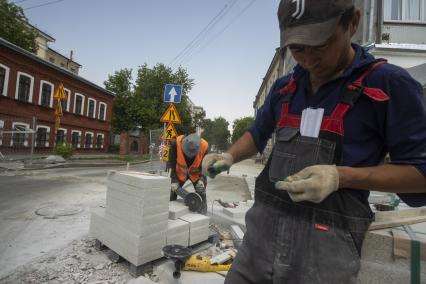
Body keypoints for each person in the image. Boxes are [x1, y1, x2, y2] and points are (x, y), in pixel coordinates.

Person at [202, 0, 426, 283]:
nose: (307, 59)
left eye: (320, 44)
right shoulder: (286, 88)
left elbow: (420, 175)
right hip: (258, 246)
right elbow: (258, 133)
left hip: (325, 256)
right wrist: (230, 156)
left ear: (352, 23)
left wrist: (340, 176)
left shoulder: (388, 86)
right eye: (297, 48)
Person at [168, 133, 209, 214]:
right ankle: (171, 209)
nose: (190, 156)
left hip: (196, 173)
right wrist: (173, 179)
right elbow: (171, 163)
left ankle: (203, 212)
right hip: (181, 173)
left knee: (201, 191)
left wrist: (201, 179)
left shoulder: (205, 146)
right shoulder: (175, 143)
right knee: (173, 190)